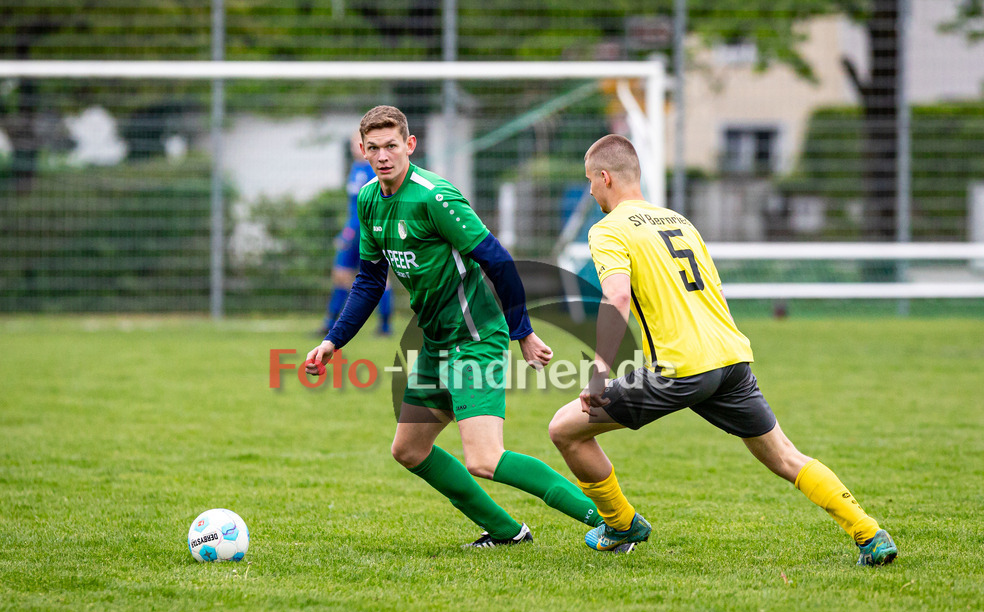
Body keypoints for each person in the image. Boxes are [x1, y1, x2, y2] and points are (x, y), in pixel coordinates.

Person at [547, 133, 898, 566]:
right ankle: (869, 533)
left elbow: (616, 297)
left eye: (590, 181)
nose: (590, 190)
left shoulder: (608, 230)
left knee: (564, 429)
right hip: (730, 359)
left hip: (681, 368)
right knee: (786, 455)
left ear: (605, 178)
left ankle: (620, 523)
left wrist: (599, 372)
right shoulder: (679, 222)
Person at [305, 105, 606, 547]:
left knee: (484, 458)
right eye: (374, 148)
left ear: (410, 145)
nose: (383, 156)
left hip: (475, 337)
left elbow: (498, 260)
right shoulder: (370, 200)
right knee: (408, 450)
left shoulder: (434, 196)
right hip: (435, 342)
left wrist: (521, 331)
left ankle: (612, 519)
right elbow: (370, 279)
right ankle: (506, 531)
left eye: (391, 146)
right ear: (363, 152)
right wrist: (335, 339)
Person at [322, 131, 392, 336]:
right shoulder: (356, 168)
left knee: (376, 277)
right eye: (354, 144)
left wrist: (349, 232)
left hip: (363, 232)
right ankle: (330, 323)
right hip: (353, 229)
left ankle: (385, 326)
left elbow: (368, 207)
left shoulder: (374, 170)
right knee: (342, 275)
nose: (356, 148)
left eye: (360, 144)